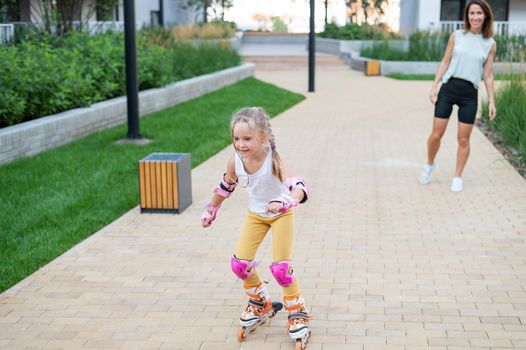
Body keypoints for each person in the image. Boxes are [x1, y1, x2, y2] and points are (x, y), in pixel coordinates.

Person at [200, 107, 311, 345]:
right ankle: (260, 301)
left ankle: (297, 309)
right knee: (240, 264)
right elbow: (225, 187)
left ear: (263, 137)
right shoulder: (236, 162)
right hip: (256, 216)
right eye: (236, 139)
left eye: (247, 139)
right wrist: (211, 209)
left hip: (281, 215)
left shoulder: (275, 160)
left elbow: (298, 186)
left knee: (280, 269)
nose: (240, 144)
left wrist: (287, 200)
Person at [420, 0, 497, 192]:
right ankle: (429, 164)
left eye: (479, 13)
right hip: (449, 88)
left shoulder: (490, 43)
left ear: (485, 16)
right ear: (467, 16)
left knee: (463, 139)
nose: (475, 17)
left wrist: (492, 101)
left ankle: (457, 176)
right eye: (472, 13)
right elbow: (445, 62)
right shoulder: (457, 36)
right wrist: (434, 86)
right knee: (436, 134)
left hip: (469, 94)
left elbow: (487, 75)